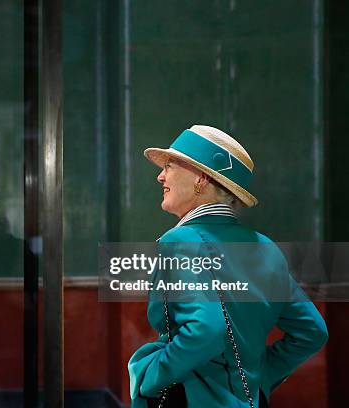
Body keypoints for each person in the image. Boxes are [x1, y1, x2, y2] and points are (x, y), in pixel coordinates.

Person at [128, 125, 328, 407]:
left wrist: (149, 375)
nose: (160, 176)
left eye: (170, 166)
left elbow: (206, 329)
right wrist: (260, 377)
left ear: (200, 178)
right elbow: (313, 332)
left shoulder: (180, 241)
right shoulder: (265, 247)